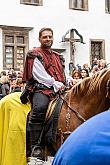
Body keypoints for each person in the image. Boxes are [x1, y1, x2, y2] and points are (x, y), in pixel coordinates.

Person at [21, 27, 66, 163]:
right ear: (40, 39)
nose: (48, 39)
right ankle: (35, 147)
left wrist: (68, 81)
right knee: (40, 109)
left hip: (58, 89)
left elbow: (63, 73)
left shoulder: (58, 56)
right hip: (42, 89)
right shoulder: (34, 54)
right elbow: (39, 75)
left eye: (50, 37)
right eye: (45, 37)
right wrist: (55, 83)